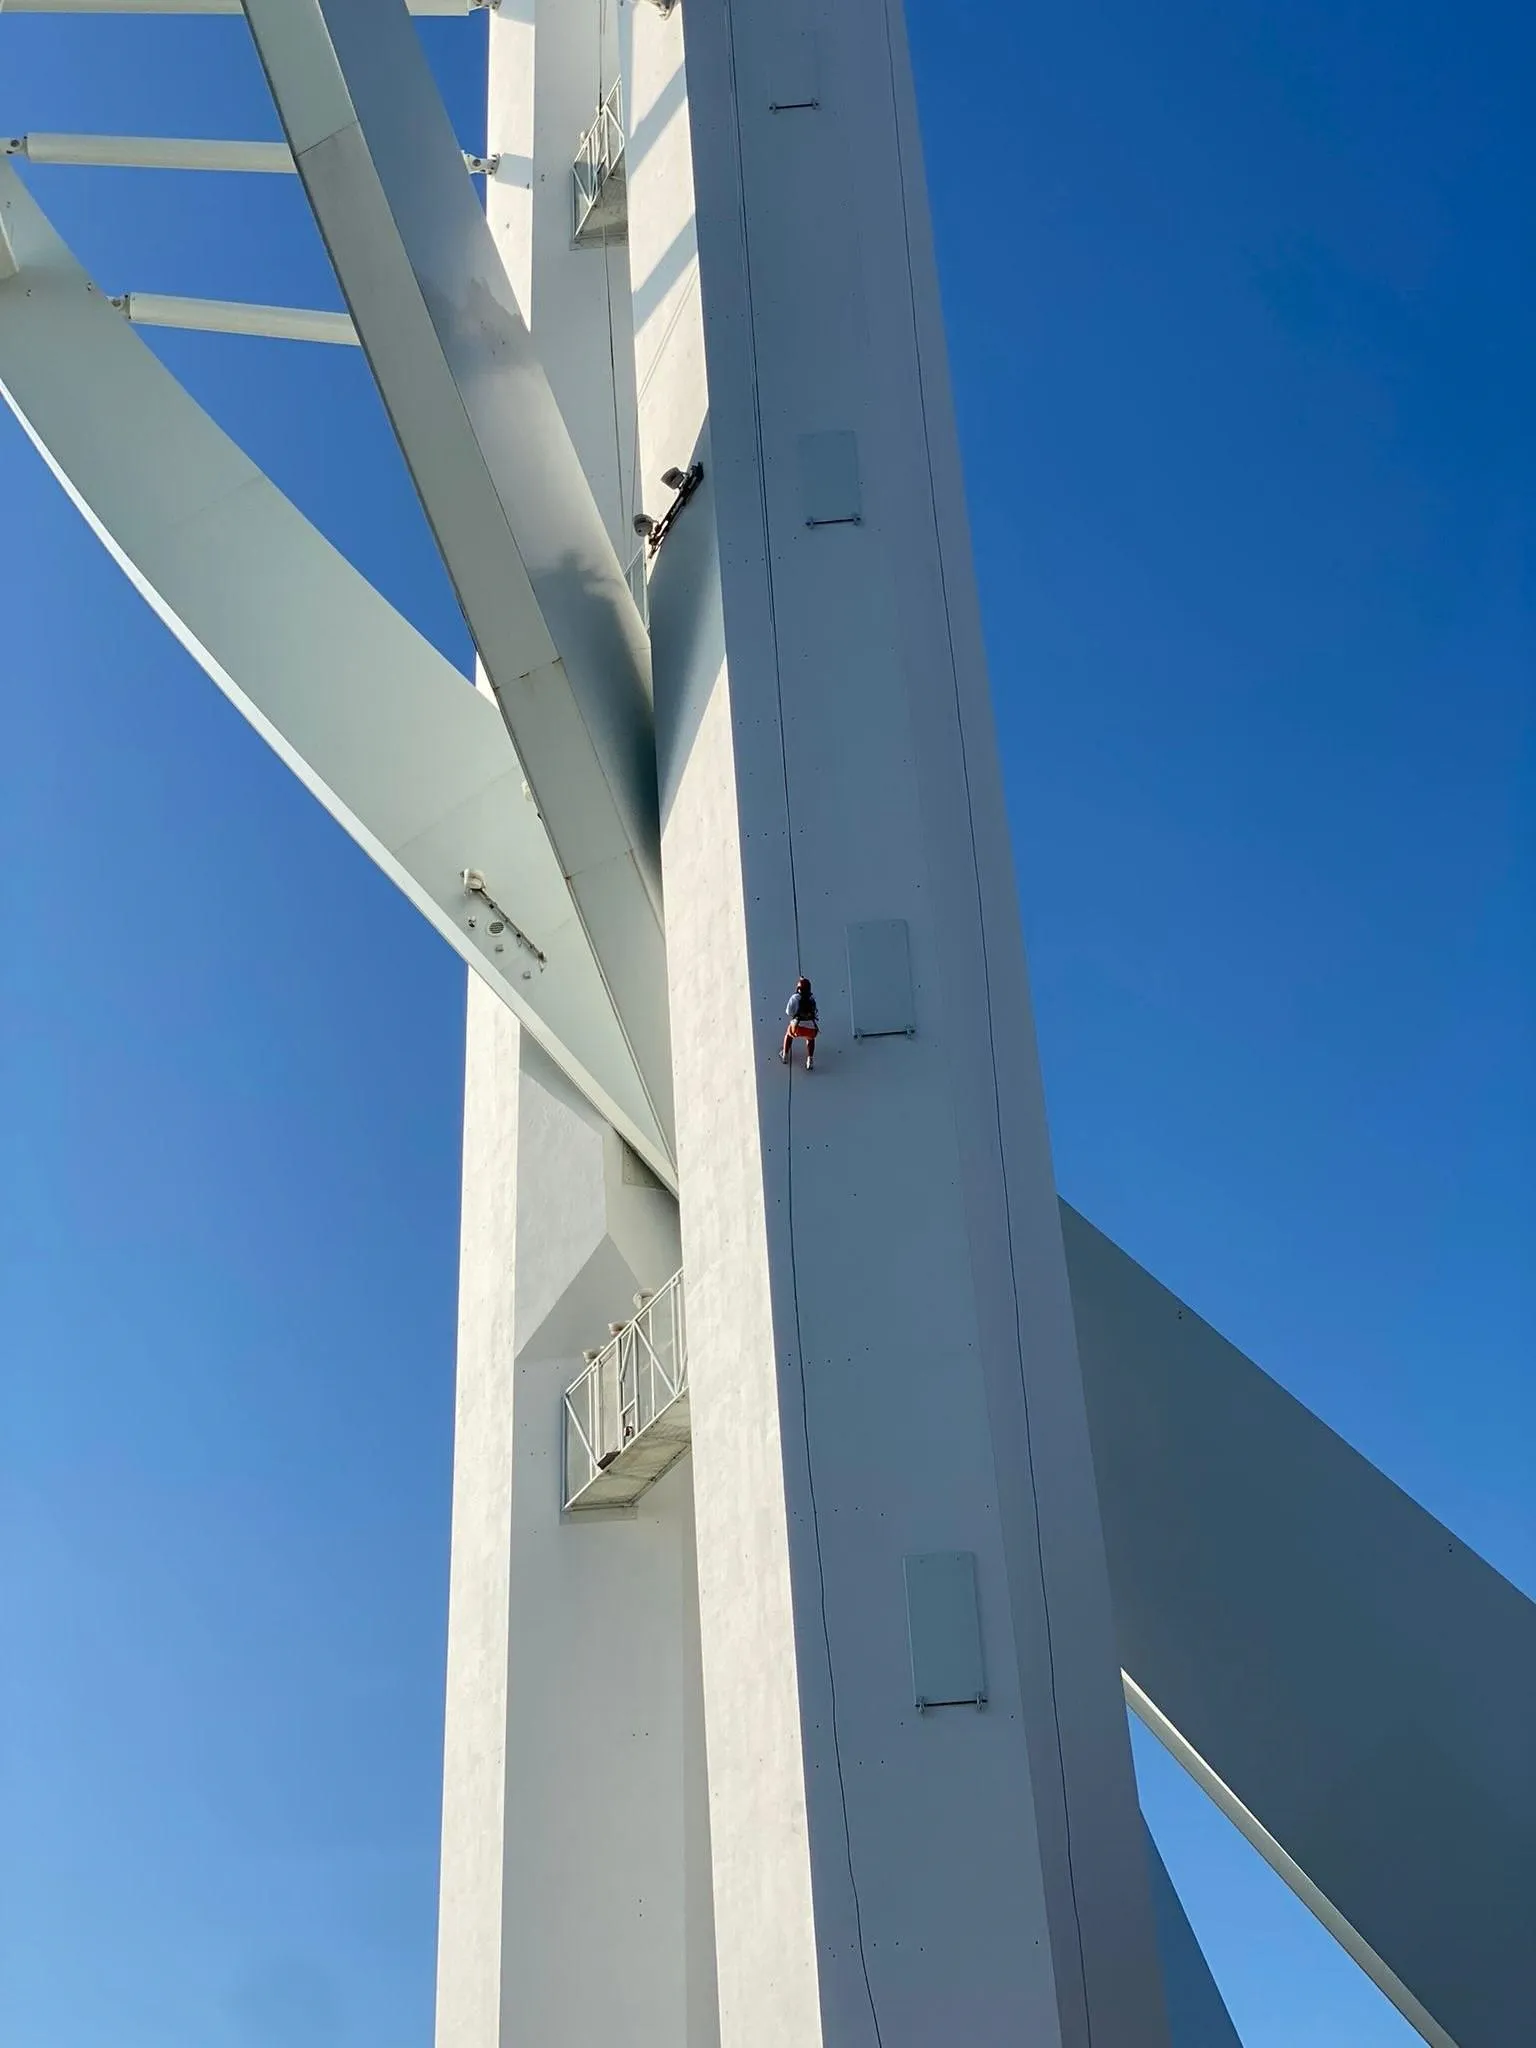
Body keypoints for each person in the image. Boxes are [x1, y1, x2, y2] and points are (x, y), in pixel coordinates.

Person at [781, 976, 819, 1070]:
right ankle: (810, 1060)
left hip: (797, 1027)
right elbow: (816, 1012)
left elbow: (789, 1012)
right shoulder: (812, 998)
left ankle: (785, 1055)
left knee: (789, 1035)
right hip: (811, 1028)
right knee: (810, 1039)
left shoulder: (795, 997)